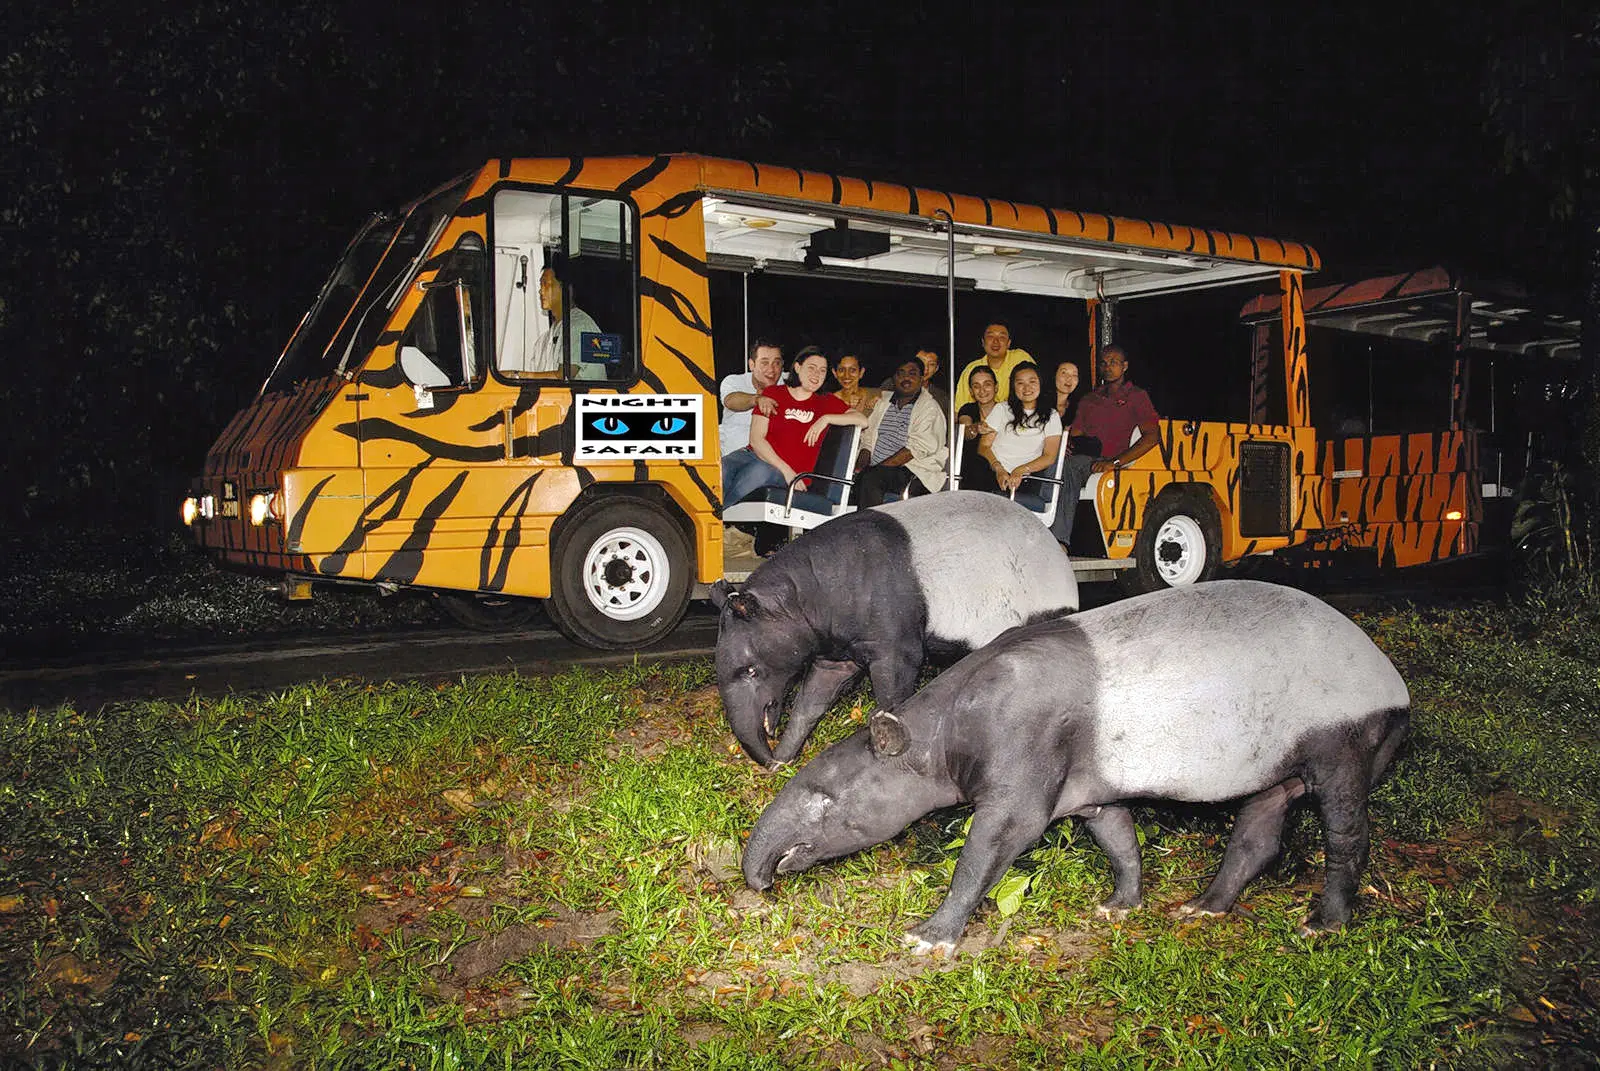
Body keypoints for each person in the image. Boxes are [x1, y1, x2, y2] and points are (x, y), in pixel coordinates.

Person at [731, 346, 871, 510]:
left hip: (779, 471)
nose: (816, 374)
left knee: (758, 471)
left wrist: (826, 418)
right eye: (811, 368)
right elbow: (756, 439)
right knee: (720, 470)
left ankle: (718, 518)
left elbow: (862, 420)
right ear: (797, 367)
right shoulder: (774, 393)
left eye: (822, 370)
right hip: (752, 456)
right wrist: (787, 471)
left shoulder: (826, 402)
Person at [1052, 344, 1161, 546]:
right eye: (1103, 363)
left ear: (1125, 366)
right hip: (1088, 458)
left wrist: (1116, 462)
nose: (1108, 367)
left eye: (1113, 362)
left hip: (1115, 461)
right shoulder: (1090, 398)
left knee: (1071, 467)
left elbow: (1152, 436)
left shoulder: (1136, 396)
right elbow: (1075, 433)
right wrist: (1063, 445)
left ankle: (1059, 542)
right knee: (1052, 463)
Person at [720, 340, 786, 557]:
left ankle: (714, 519)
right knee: (720, 471)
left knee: (760, 471)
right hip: (732, 457)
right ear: (751, 364)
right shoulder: (734, 381)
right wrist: (758, 400)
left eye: (777, 363)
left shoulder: (789, 386)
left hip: (764, 461)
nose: (771, 369)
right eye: (764, 362)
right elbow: (731, 401)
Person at [854, 356, 948, 507]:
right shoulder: (884, 402)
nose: (906, 378)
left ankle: (869, 529)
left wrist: (874, 470)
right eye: (901, 373)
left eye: (912, 373)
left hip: (912, 471)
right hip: (878, 470)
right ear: (894, 378)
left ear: (921, 378)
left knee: (871, 480)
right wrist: (860, 467)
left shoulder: (929, 408)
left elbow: (916, 449)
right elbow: (868, 439)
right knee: (853, 477)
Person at [976, 362, 1062, 497]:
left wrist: (1021, 470)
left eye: (1032, 382)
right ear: (1013, 387)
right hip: (993, 471)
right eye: (1020, 383)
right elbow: (984, 446)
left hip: (1027, 477)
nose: (1026, 388)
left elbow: (1049, 457)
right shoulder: (1002, 409)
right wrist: (998, 468)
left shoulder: (1052, 416)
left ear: (1041, 384)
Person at [517, 264, 603, 378]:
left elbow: (564, 376)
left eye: (546, 284)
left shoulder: (580, 326)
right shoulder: (543, 340)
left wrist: (515, 376)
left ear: (566, 289)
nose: (541, 291)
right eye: (540, 285)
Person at [952, 323, 1034, 411]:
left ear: (1008, 343)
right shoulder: (971, 369)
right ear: (983, 342)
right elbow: (959, 410)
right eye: (990, 337)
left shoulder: (1020, 358)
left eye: (1001, 337)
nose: (996, 342)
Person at [954, 365, 1003, 492]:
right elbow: (965, 431)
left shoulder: (1006, 410)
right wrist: (976, 428)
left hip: (999, 469)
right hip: (971, 473)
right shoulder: (968, 409)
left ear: (996, 387)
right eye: (976, 386)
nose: (982, 390)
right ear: (971, 391)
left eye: (987, 384)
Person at [882, 349, 948, 412]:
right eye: (921, 362)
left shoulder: (941, 398)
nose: (926, 368)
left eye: (931, 364)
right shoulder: (891, 384)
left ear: (936, 369)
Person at [831, 353, 882, 417]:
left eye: (852, 370)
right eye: (841, 370)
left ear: (861, 372)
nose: (847, 376)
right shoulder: (829, 403)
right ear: (835, 373)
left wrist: (882, 404)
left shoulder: (875, 394)